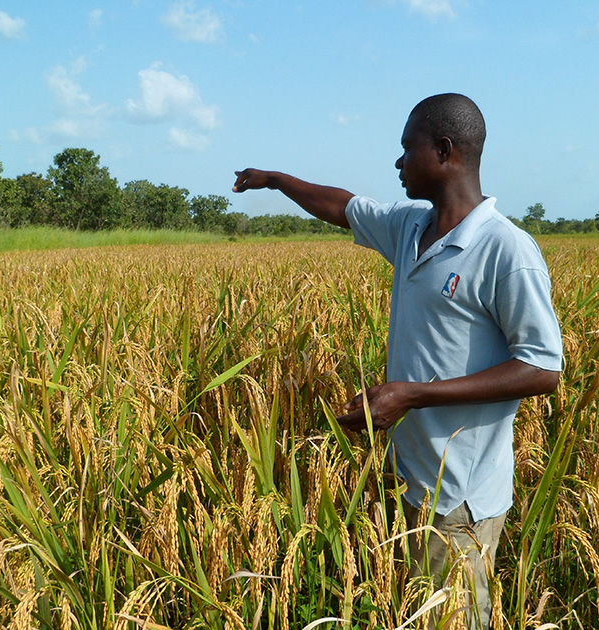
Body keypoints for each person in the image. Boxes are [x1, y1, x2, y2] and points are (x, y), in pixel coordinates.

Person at [233, 93, 563, 628]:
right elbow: (343, 206)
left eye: (407, 148)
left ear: (444, 151)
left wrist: (411, 394)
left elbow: (542, 368)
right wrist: (275, 180)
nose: (398, 161)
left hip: (458, 499)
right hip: (409, 476)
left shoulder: (505, 249)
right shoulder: (412, 226)